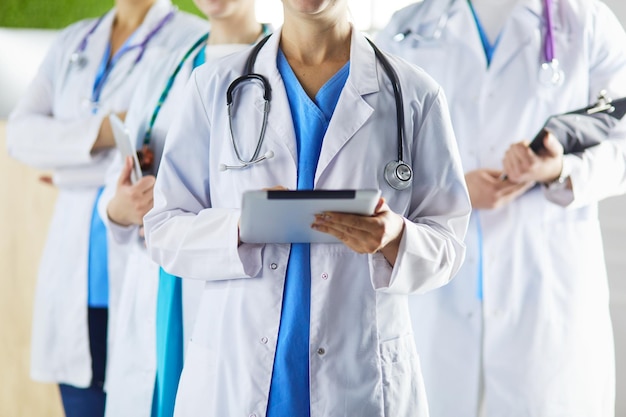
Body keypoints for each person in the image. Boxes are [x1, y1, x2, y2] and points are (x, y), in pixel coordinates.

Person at [142, 0, 472, 415]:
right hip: (237, 376)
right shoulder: (214, 86)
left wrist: (395, 237)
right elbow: (165, 229)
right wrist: (241, 228)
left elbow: (449, 244)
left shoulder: (414, 94)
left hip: (358, 380)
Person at [375, 0, 626, 416]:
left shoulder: (586, 22)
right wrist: (451, 190)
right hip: (436, 294)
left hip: (545, 294)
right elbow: (371, 154)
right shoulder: (408, 26)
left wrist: (561, 168)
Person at [5, 1, 205, 415]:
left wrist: (65, 167)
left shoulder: (193, 40)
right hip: (75, 283)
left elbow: (162, 159)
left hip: (144, 268)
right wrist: (108, 130)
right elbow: (21, 136)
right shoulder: (74, 40)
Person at [97, 0, 270, 415]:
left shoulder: (283, 68)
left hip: (230, 273)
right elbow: (117, 177)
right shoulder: (166, 67)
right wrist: (120, 207)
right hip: (154, 278)